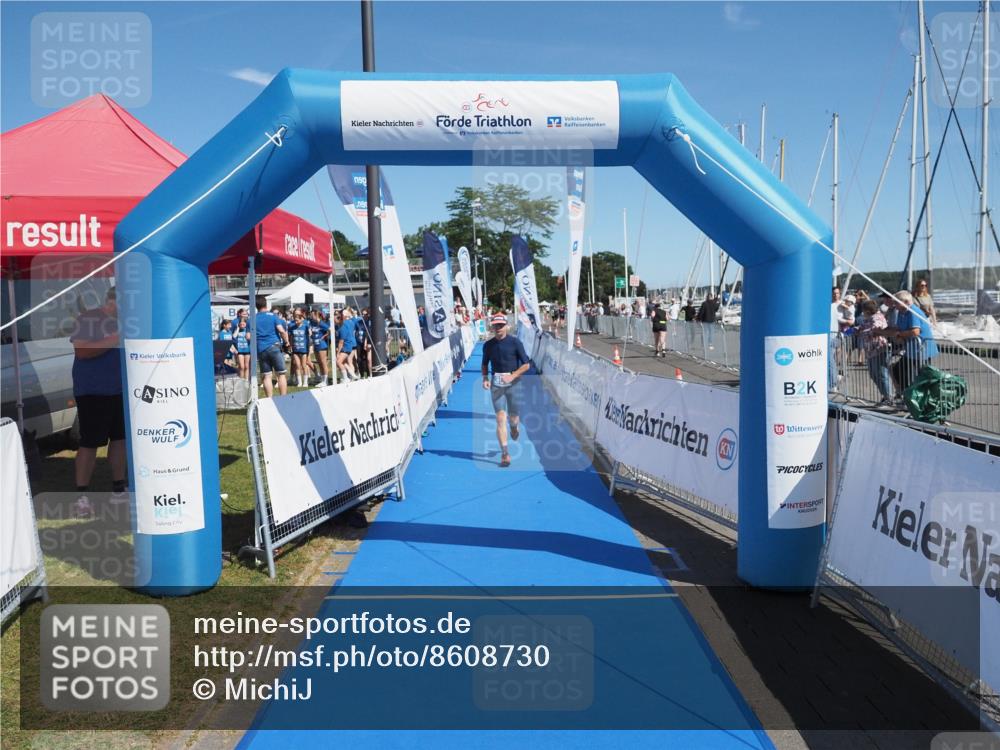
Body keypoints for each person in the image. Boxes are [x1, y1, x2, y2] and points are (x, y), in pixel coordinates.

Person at [69, 287, 128, 517]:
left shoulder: (127, 321)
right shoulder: (89, 318)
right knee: (90, 443)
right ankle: (82, 496)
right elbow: (82, 351)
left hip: (119, 390)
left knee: (120, 439)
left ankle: (118, 488)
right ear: (111, 300)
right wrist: (115, 338)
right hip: (92, 391)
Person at [481, 313, 531, 468]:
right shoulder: (488, 345)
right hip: (496, 384)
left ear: (506, 326)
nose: (498, 328)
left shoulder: (515, 342)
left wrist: (513, 376)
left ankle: (515, 428)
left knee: (513, 419)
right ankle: (505, 453)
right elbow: (484, 364)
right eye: (495, 326)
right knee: (500, 418)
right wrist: (485, 379)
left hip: (514, 383)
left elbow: (527, 365)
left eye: (500, 326)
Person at [889, 290, 939, 395]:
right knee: (898, 370)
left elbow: (915, 331)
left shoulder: (913, 311)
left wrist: (900, 335)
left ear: (906, 302)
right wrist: (880, 331)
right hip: (911, 350)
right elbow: (897, 328)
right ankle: (905, 395)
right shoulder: (901, 313)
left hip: (921, 349)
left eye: (897, 302)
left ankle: (919, 398)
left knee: (920, 375)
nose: (894, 305)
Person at [858, 299, 893, 406]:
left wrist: (863, 331)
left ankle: (888, 397)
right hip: (871, 350)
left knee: (882, 374)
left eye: (864, 310)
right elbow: (863, 327)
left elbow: (876, 328)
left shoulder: (878, 317)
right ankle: (885, 395)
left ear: (867, 310)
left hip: (880, 348)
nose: (863, 312)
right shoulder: (868, 318)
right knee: (873, 374)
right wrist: (855, 329)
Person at [254, 294, 290, 397]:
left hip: (261, 349)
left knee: (266, 375)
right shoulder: (273, 316)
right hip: (274, 346)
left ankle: (269, 400)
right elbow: (281, 330)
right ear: (266, 304)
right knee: (281, 374)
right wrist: (287, 342)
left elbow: (248, 336)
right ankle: (283, 398)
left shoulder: (252, 318)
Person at [288, 308, 313, 387]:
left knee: (303, 365)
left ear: (301, 319)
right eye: (295, 320)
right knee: (297, 366)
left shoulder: (305, 326)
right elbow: (291, 338)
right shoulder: (292, 327)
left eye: (297, 320)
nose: (296, 321)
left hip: (304, 349)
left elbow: (310, 334)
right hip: (295, 349)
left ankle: (305, 382)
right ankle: (299, 382)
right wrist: (290, 346)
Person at [309, 310, 331, 386]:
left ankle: (326, 381)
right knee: (319, 363)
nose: (311, 316)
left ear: (316, 315)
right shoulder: (312, 323)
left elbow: (330, 329)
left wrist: (324, 336)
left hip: (322, 345)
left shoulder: (321, 323)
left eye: (312, 315)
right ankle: (322, 379)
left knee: (323, 362)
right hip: (316, 345)